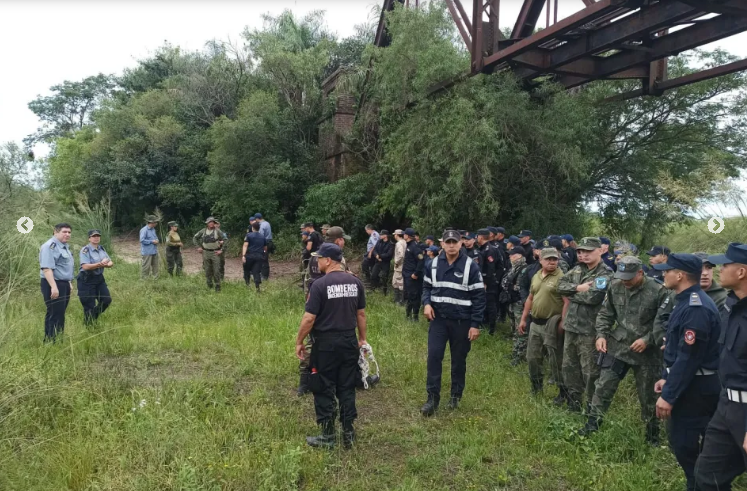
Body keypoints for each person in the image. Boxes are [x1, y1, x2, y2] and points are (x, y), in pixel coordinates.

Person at [579, 256, 671, 444]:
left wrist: (648, 339)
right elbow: (606, 313)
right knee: (603, 386)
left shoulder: (659, 290)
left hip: (647, 354)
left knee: (648, 396)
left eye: (629, 277)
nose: (625, 281)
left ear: (640, 272)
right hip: (618, 347)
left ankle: (652, 436)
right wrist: (601, 335)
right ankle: (592, 425)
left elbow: (664, 322)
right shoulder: (615, 285)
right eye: (622, 277)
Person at [648, 253, 721, 491]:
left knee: (685, 445)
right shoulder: (685, 301)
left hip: (696, 390)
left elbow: (689, 358)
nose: (663, 274)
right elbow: (679, 349)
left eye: (667, 270)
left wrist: (669, 395)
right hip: (689, 383)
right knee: (683, 445)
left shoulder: (695, 308)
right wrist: (666, 377)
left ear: (679, 275)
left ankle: (702, 484)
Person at [295, 243, 367, 449]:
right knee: (347, 386)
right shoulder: (356, 283)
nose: (316, 262)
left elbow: (309, 318)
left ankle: (328, 435)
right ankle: (348, 432)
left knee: (323, 386)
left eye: (319, 258)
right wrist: (362, 339)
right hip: (348, 341)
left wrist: (299, 341)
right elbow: (360, 314)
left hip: (326, 344)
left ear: (328, 260)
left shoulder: (319, 285)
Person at [695, 243, 747, 490]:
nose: (719, 270)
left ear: (741, 272)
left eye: (725, 265)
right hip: (726, 405)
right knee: (707, 476)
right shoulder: (731, 304)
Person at [420, 230, 486, 415]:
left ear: (461, 244)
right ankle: (432, 399)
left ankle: (455, 397)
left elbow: (479, 298)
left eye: (454, 242)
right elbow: (426, 287)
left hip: (461, 323)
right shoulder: (432, 265)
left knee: (458, 361)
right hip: (438, 321)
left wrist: (475, 324)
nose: (451, 245)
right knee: (434, 358)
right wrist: (426, 304)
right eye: (447, 242)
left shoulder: (470, 266)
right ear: (442, 244)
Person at [557, 237, 614, 412]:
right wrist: (578, 288)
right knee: (569, 367)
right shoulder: (577, 269)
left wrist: (572, 292)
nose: (584, 254)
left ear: (600, 251)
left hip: (589, 330)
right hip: (572, 326)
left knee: (590, 371)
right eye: (581, 251)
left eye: (589, 251)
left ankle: (591, 407)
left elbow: (593, 297)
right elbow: (559, 286)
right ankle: (574, 403)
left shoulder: (605, 273)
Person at [299, 226, 352, 396]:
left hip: (314, 304)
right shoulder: (338, 259)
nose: (344, 242)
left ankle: (305, 380)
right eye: (343, 239)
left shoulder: (316, 255)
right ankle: (340, 377)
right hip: (334, 306)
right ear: (338, 240)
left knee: (311, 340)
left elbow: (307, 280)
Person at [519, 248, 565, 397]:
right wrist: (523, 319)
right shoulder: (537, 275)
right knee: (532, 358)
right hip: (535, 323)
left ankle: (563, 392)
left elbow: (567, 302)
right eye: (548, 259)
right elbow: (530, 298)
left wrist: (563, 323)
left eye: (554, 259)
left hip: (552, 325)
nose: (552, 262)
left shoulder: (562, 278)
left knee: (556, 360)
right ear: (541, 260)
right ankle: (536, 389)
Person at [39, 223, 75, 342]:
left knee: (60, 312)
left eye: (69, 232)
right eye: (64, 232)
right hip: (53, 283)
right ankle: (51, 341)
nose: (67, 234)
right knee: (54, 313)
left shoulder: (64, 247)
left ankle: (58, 339)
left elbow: (63, 267)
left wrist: (68, 282)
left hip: (62, 282)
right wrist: (54, 287)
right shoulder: (50, 246)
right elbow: (47, 268)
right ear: (56, 232)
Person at [77, 229, 114, 326]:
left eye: (98, 236)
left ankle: (92, 317)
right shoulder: (85, 250)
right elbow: (85, 266)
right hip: (87, 279)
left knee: (106, 300)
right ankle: (89, 325)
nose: (96, 238)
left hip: (99, 278)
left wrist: (105, 264)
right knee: (89, 304)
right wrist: (100, 264)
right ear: (89, 238)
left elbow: (110, 262)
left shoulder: (102, 249)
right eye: (94, 236)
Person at [501, 247, 529, 363]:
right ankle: (515, 352)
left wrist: (512, 287)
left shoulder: (524, 269)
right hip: (512, 301)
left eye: (513, 255)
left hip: (519, 303)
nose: (510, 257)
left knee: (521, 330)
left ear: (520, 256)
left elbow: (522, 287)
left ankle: (520, 356)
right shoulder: (513, 268)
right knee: (514, 329)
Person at [477, 229, 501, 336]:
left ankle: (492, 329)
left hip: (490, 282)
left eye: (477, 236)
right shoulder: (483, 248)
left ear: (481, 237)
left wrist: (485, 282)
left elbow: (490, 268)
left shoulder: (489, 249)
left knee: (491, 305)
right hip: (484, 280)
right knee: (484, 303)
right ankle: (484, 324)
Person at [193, 217, 224, 292]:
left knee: (216, 270)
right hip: (205, 252)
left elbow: (225, 239)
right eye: (210, 222)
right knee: (207, 270)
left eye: (213, 222)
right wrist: (198, 247)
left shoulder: (217, 231)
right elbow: (194, 238)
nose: (211, 223)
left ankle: (217, 287)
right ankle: (209, 285)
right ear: (207, 223)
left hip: (215, 253)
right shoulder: (203, 231)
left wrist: (221, 250)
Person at [402, 228, 425, 322]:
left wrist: (416, 273)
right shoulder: (408, 245)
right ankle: (408, 315)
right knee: (409, 296)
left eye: (404, 234)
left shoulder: (415, 247)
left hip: (413, 277)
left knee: (414, 296)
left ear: (407, 236)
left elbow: (421, 260)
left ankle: (415, 317)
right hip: (407, 275)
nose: (403, 235)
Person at [242, 221, 267, 291]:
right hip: (259, 256)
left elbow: (245, 246)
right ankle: (257, 287)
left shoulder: (249, 235)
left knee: (246, 270)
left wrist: (243, 255)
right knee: (256, 272)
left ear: (252, 228)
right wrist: (263, 253)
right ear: (259, 228)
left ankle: (247, 285)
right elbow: (265, 248)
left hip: (250, 256)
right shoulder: (262, 237)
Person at [371, 230, 394, 294]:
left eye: (381, 235)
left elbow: (389, 254)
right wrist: (376, 255)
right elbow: (374, 250)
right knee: (373, 275)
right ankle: (374, 289)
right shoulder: (379, 242)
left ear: (385, 235)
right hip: (378, 261)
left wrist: (380, 256)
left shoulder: (391, 244)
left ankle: (384, 292)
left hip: (385, 262)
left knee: (384, 277)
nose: (380, 236)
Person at [392, 229, 406, 305]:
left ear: (397, 235)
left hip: (399, 266)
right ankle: (397, 299)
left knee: (399, 283)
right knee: (395, 282)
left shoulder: (399, 243)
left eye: (395, 234)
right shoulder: (405, 242)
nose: (394, 236)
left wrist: (397, 262)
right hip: (402, 266)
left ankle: (400, 301)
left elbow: (401, 255)